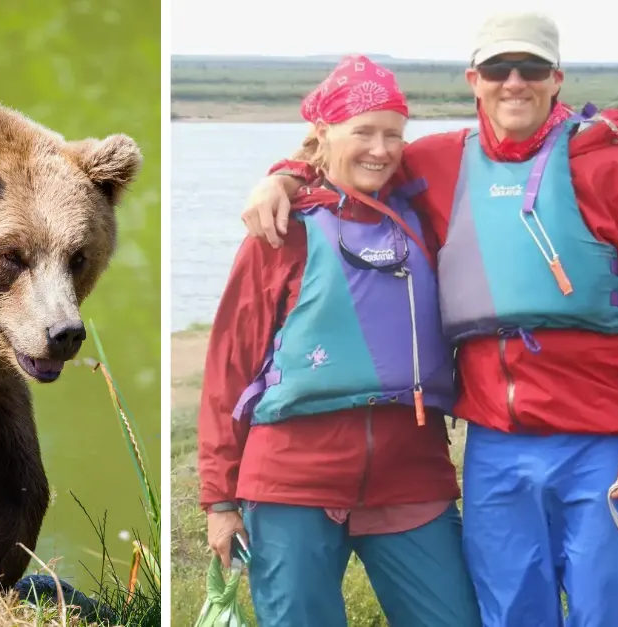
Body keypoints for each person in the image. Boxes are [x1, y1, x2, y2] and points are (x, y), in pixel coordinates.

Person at [238, 12, 618, 627]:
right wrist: (285, 176)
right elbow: (352, 160)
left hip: (604, 441)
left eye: (532, 68)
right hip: (495, 446)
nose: (515, 82)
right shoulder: (441, 164)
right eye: (498, 69)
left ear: (556, 78)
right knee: (509, 611)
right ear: (474, 79)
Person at [197, 55, 481, 627]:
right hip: (291, 479)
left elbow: (510, 138)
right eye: (364, 132)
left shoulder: (423, 211)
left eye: (394, 135)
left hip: (411, 474)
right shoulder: (280, 231)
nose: (380, 149)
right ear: (324, 133)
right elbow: (229, 366)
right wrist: (220, 499)